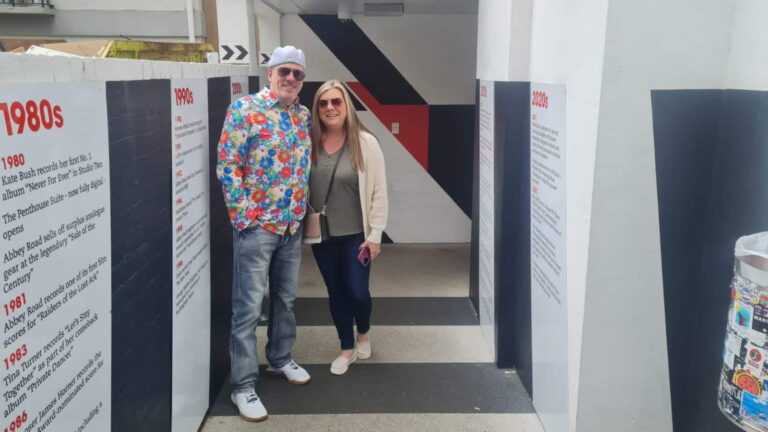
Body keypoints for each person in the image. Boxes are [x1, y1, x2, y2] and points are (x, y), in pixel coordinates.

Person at [216, 45, 312, 423]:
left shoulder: (302, 116)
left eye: (297, 74)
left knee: (285, 300)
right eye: (284, 71)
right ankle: (243, 385)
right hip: (258, 228)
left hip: (291, 224)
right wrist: (245, 218)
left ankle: (280, 358)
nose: (290, 78)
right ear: (270, 73)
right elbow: (228, 165)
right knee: (247, 310)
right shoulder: (244, 110)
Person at [308, 80, 388, 375]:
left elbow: (379, 191)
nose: (330, 108)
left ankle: (363, 330)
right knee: (336, 292)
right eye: (323, 103)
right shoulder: (309, 141)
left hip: (357, 236)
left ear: (347, 106)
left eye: (336, 102)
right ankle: (347, 347)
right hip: (322, 236)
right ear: (317, 109)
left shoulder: (366, 143)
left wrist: (375, 235)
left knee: (357, 292)